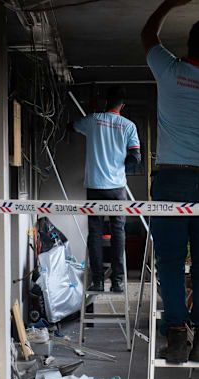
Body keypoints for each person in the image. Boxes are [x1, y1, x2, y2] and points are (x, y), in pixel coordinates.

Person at [141, 0, 199, 363]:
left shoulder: (168, 70)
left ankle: (177, 334)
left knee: (170, 259)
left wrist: (168, 4)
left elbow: (148, 35)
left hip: (172, 178)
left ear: (187, 45)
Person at [72, 86, 141, 293]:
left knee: (95, 232)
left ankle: (99, 281)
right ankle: (118, 281)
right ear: (122, 105)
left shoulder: (92, 120)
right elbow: (135, 157)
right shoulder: (129, 126)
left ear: (106, 102)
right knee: (118, 232)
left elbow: (73, 127)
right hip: (117, 188)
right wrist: (122, 167)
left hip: (94, 187)